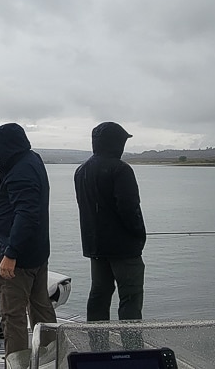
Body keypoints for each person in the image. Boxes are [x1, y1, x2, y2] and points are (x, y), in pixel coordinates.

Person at [0, 105, 56, 366]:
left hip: (20, 256)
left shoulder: (20, 171)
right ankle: (50, 357)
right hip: (38, 252)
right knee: (41, 306)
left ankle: (17, 363)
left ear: (6, 149)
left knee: (12, 314)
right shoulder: (29, 158)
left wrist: (10, 254)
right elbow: (7, 141)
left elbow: (26, 214)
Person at [73, 121, 147, 322]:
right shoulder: (121, 169)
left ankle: (96, 348)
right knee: (130, 298)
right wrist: (140, 234)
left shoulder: (81, 170)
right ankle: (132, 348)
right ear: (116, 143)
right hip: (124, 248)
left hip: (95, 247)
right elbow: (129, 208)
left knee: (99, 294)